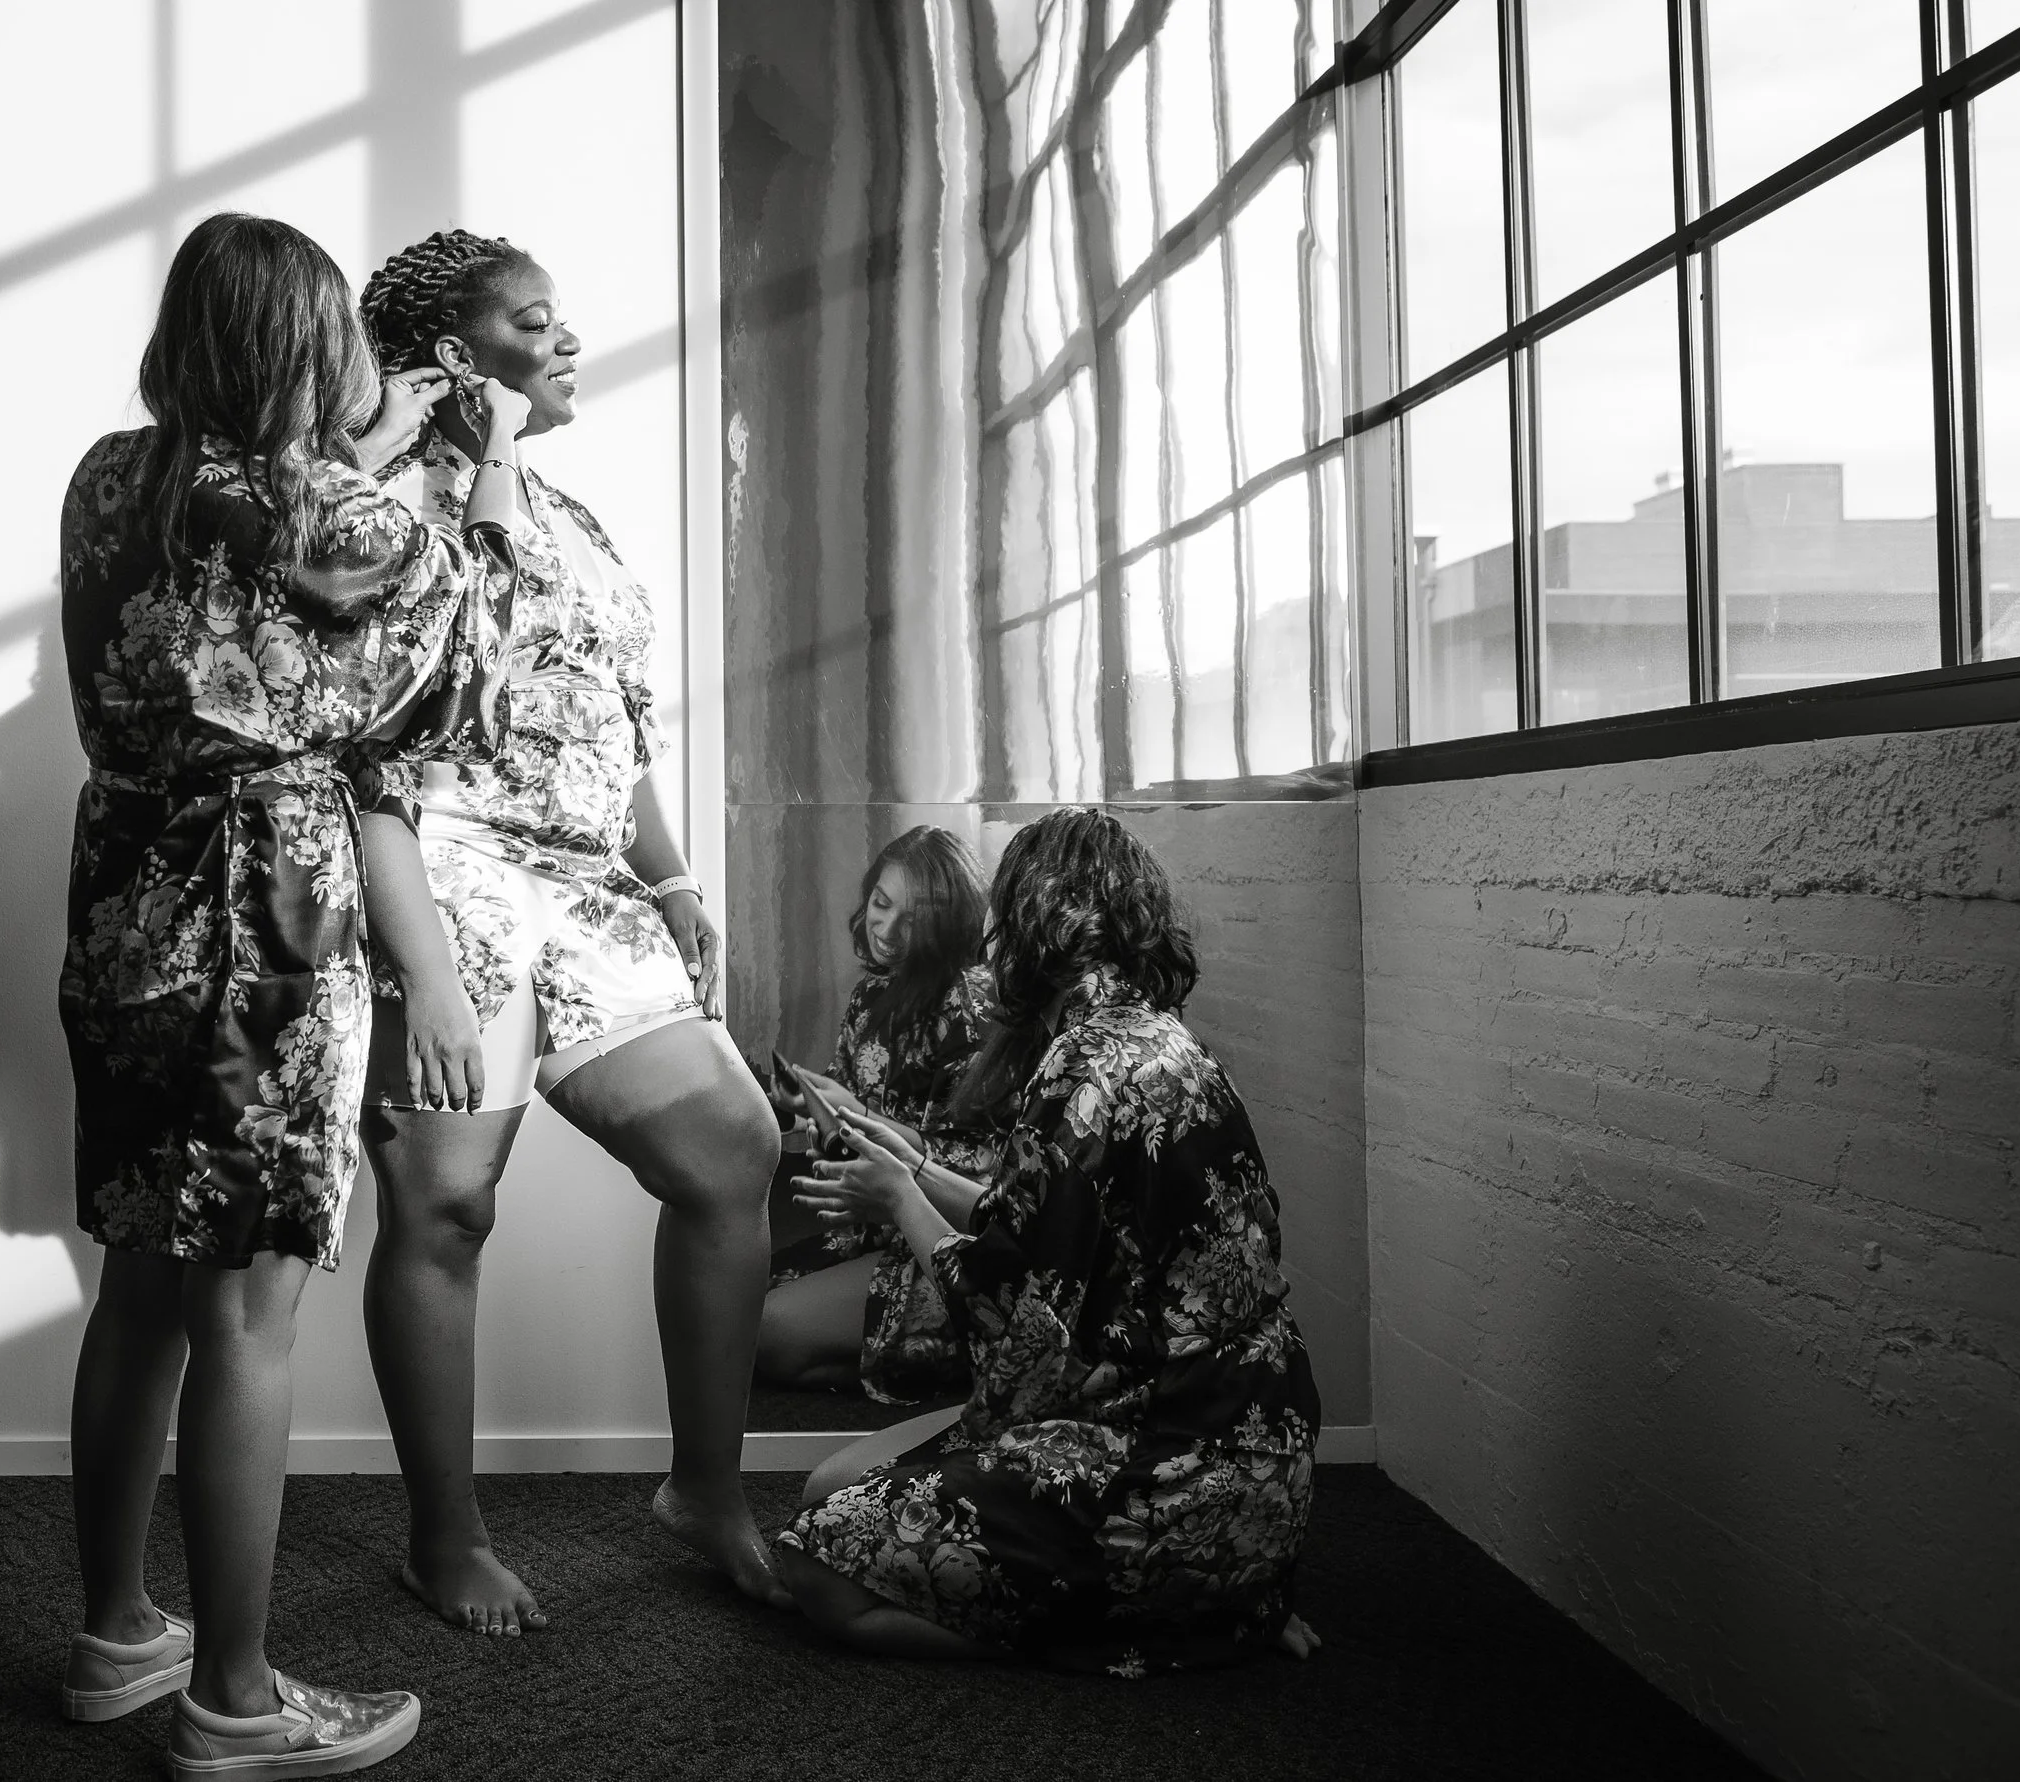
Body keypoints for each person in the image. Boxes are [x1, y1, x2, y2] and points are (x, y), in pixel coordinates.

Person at [58, 213, 527, 1775]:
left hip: (123, 899)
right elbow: (453, 666)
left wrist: (369, 448)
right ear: (301, 342)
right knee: (249, 1305)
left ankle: (122, 1632)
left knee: (139, 1275)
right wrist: (451, 458)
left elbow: (251, 592)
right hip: (253, 910)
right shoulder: (300, 497)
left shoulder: (112, 476)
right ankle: (239, 1701)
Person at [351, 229, 788, 1636]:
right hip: (449, 865)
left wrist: (672, 883)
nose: (570, 340)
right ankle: (445, 1535)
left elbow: (614, 722)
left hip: (588, 877)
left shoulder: (579, 522)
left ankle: (705, 1488)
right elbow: (425, 687)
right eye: (535, 324)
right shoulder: (381, 517)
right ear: (458, 362)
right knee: (447, 1204)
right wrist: (469, 456)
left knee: (733, 1147)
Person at [775, 809, 1322, 1675]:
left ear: (1042, 925)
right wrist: (913, 1165)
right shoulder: (1163, 1042)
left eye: (1002, 921)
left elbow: (1005, 1308)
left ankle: (1154, 1634)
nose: (990, 944)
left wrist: (896, 1197)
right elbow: (1029, 1227)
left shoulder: (1079, 1075)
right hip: (1266, 1472)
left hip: (1161, 1470)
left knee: (814, 1562)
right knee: (832, 1485)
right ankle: (1217, 1599)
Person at [757, 825, 996, 1402]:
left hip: (942, 1236)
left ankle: (966, 1361)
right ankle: (901, 1368)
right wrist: (808, 1104)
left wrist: (857, 1112)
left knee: (767, 1333)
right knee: (735, 1299)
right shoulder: (873, 995)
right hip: (870, 1226)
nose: (886, 929)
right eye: (881, 904)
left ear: (950, 920)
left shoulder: (976, 1006)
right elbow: (853, 1109)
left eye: (911, 918)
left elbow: (984, 1171)